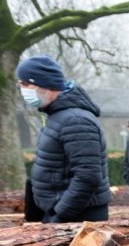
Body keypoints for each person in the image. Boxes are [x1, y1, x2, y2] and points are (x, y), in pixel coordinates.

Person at [17, 55, 110, 222]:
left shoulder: (76, 120)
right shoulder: (57, 116)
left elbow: (88, 176)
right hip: (60, 213)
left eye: (25, 84)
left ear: (45, 85)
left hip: (77, 218)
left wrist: (60, 216)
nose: (22, 89)